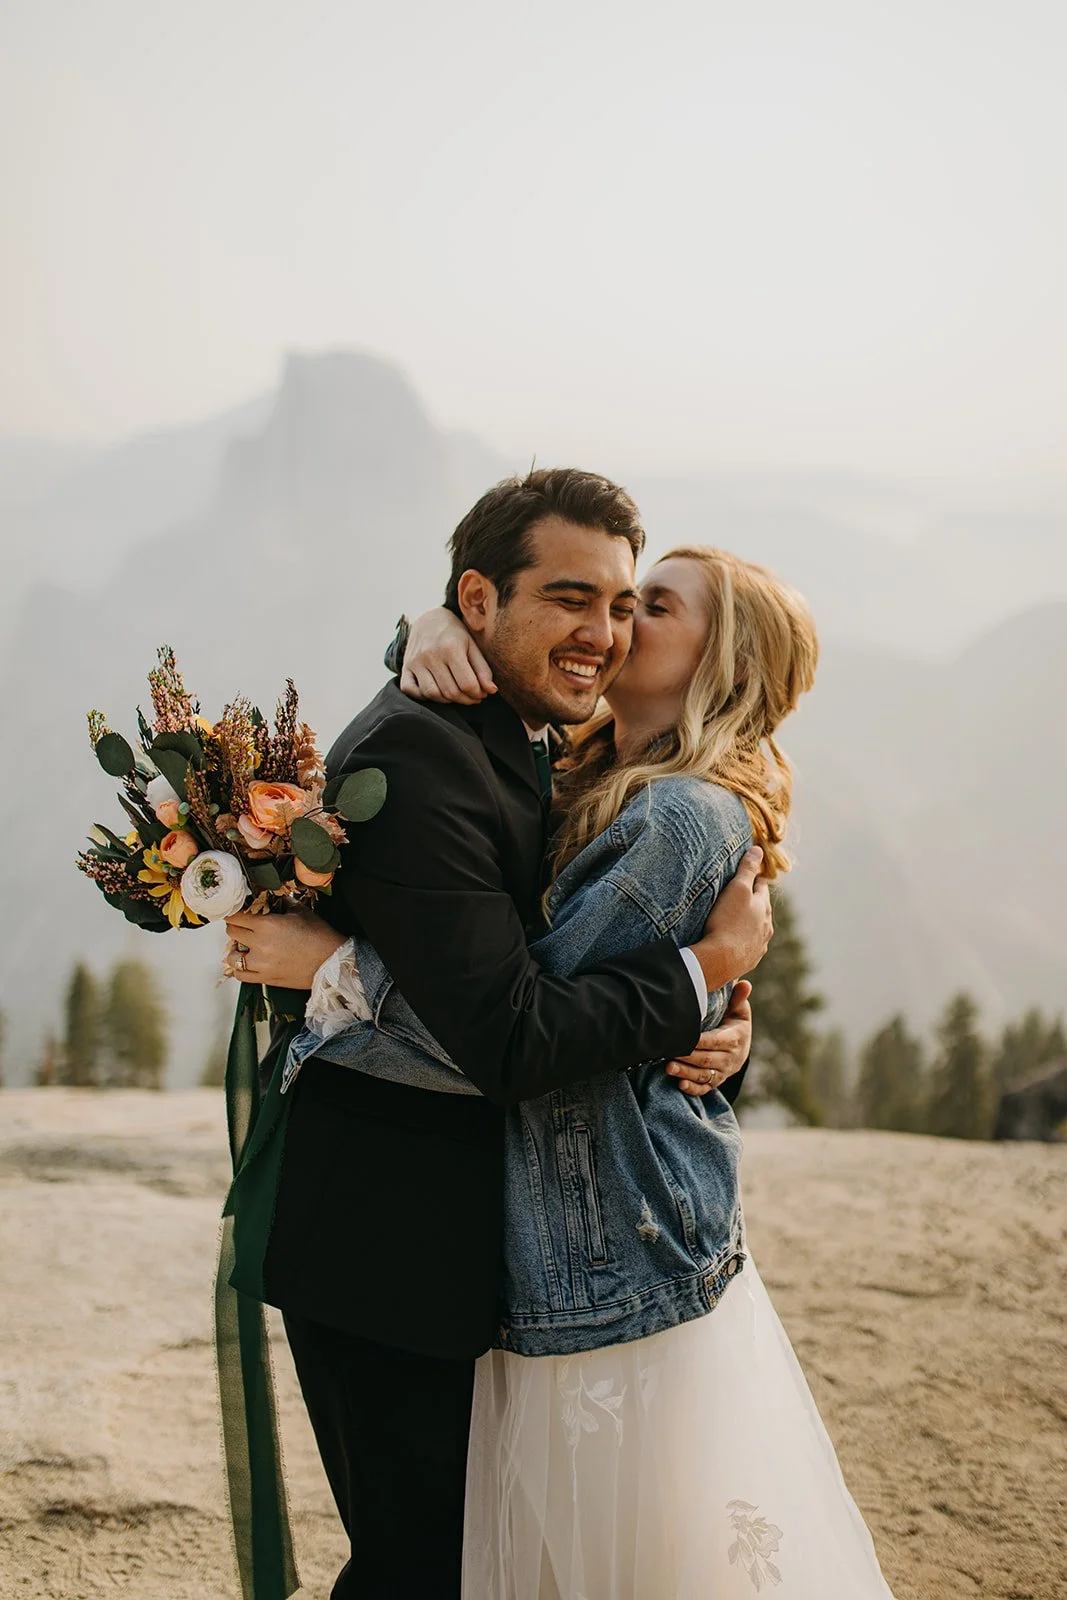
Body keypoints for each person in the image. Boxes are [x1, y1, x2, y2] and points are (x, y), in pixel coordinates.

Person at [224, 469, 771, 1600]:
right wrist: (704, 972)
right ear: (478, 600)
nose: (606, 633)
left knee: (469, 1563)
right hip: (386, 1241)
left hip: (470, 1242)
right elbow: (516, 1039)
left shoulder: (555, 745)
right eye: (576, 598)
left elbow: (568, 983)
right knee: (420, 1569)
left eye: (626, 604)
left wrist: (715, 1015)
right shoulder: (425, 754)